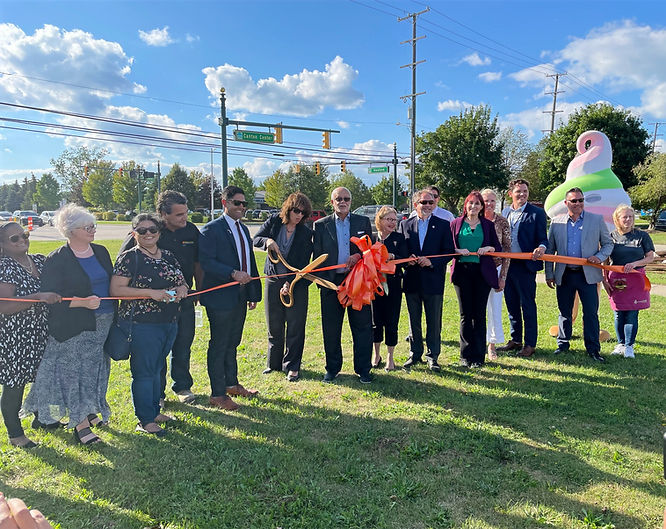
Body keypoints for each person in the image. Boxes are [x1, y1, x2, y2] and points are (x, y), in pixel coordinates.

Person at [23, 204, 114, 445]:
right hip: (73, 326)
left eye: (94, 225)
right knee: (75, 375)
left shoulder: (101, 251)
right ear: (71, 231)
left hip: (103, 322)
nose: (93, 230)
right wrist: (81, 303)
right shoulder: (57, 259)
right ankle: (80, 424)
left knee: (95, 370)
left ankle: (74, 412)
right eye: (88, 227)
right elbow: (50, 298)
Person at [120, 190, 203, 405]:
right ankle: (158, 394)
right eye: (178, 215)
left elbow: (197, 263)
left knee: (183, 344)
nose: (184, 218)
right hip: (151, 307)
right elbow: (122, 270)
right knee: (158, 352)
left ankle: (182, 386)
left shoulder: (191, 231)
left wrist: (197, 290)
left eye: (186, 213)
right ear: (163, 215)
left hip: (183, 299)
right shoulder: (146, 232)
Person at [110, 213, 188, 437]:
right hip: (141, 324)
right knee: (144, 372)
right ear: (134, 233)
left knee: (156, 369)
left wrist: (183, 289)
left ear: (159, 232)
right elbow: (116, 291)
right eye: (142, 230)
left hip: (169, 322)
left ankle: (154, 411)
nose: (148, 234)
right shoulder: (129, 258)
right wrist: (150, 293)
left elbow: (181, 281)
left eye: (152, 230)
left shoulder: (169, 256)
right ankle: (145, 420)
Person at [199, 185, 261, 410]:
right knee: (219, 343)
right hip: (220, 298)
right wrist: (232, 273)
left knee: (233, 342)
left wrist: (252, 292)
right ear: (225, 203)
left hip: (240, 296)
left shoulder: (243, 229)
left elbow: (249, 262)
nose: (242, 207)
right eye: (237, 203)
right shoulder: (211, 230)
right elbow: (206, 262)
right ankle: (217, 394)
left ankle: (231, 384)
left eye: (244, 204)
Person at [0, 223, 60, 448]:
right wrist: (38, 297)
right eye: (14, 238)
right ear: (3, 245)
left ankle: (42, 418)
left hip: (40, 330)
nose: (22, 240)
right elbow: (3, 306)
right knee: (15, 383)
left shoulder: (39, 260)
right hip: (14, 334)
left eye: (24, 235)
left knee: (41, 377)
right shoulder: (5, 266)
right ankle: (15, 434)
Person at [313, 187, 374, 383]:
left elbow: (370, 250)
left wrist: (359, 255)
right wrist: (322, 283)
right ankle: (332, 368)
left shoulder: (362, 221)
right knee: (331, 328)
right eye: (338, 199)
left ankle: (363, 369)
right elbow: (317, 257)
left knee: (362, 326)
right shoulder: (321, 225)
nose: (343, 201)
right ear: (332, 202)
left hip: (357, 282)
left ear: (351, 201)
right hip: (332, 284)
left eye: (346, 198)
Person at [545, 187, 614, 362]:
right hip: (565, 274)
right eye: (574, 201)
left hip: (588, 274)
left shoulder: (596, 220)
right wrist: (549, 273)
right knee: (564, 311)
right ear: (566, 203)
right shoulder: (556, 222)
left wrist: (599, 257)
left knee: (591, 312)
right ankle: (563, 344)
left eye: (581, 200)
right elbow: (550, 250)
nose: (578, 203)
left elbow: (608, 244)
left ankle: (593, 349)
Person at [253, 192, 313, 382]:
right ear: (289, 208)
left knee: (295, 325)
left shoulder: (305, 233)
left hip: (295, 282)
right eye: (296, 211)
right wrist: (267, 241)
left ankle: (293, 366)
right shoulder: (274, 221)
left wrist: (291, 283)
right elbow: (256, 239)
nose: (299, 215)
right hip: (272, 279)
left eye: (303, 213)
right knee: (274, 324)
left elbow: (304, 261)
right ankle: (274, 364)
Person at [399, 189, 455, 371]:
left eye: (431, 202)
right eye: (424, 202)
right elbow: (401, 252)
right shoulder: (405, 225)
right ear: (416, 205)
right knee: (413, 320)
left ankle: (433, 356)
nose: (428, 206)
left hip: (433, 280)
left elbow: (449, 252)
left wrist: (432, 261)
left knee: (434, 320)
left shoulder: (443, 225)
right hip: (412, 279)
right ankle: (415, 354)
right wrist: (409, 259)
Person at [450, 191, 502, 368]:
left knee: (479, 315)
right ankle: (465, 355)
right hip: (462, 273)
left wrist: (488, 247)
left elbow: (497, 247)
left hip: (482, 273)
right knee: (465, 315)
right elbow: (448, 247)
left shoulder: (487, 225)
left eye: (477, 204)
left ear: (482, 207)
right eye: (470, 203)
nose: (473, 206)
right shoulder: (456, 224)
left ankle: (478, 357)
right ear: (465, 205)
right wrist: (456, 251)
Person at [498, 178, 548, 358]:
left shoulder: (536, 213)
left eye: (525, 191)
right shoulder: (504, 212)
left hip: (525, 265)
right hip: (507, 265)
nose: (522, 194)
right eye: (518, 191)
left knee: (527, 304)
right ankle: (515, 339)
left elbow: (543, 238)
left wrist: (541, 247)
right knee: (511, 302)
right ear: (510, 193)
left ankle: (530, 344)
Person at [602, 205, 654, 359]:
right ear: (617, 219)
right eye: (624, 217)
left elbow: (650, 257)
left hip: (636, 279)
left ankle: (629, 346)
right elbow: (605, 260)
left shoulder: (642, 236)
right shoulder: (611, 237)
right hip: (616, 279)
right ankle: (620, 344)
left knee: (632, 313)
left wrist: (635, 264)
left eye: (631, 217)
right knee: (618, 313)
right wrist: (605, 279)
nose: (628, 220)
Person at [371, 206, 408, 371]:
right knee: (375, 321)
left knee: (392, 321)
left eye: (395, 220)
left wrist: (393, 256)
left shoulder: (399, 238)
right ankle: (376, 354)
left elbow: (405, 260)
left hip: (393, 286)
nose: (393, 223)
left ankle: (390, 357)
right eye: (389, 219)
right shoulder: (372, 239)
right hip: (374, 286)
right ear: (380, 220)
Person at [480, 189, 511, 360]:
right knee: (477, 309)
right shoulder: (474, 220)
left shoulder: (502, 221)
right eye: (486, 201)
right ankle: (478, 342)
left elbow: (507, 250)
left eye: (492, 200)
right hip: (477, 270)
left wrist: (503, 277)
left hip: (496, 269)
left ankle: (492, 345)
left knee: (494, 309)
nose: (489, 204)